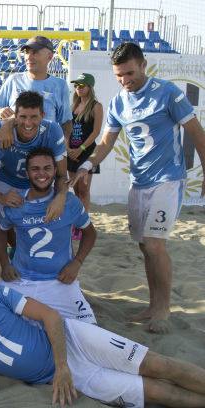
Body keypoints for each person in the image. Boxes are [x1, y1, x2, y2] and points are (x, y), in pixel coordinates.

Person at [0, 257, 205, 408]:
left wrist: (62, 368)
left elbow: (51, 316)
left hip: (74, 341)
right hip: (59, 377)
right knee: (156, 392)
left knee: (161, 366)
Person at [71, 43, 205, 334]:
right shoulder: (119, 101)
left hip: (168, 179)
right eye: (119, 75)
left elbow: (196, 132)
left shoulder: (168, 92)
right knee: (145, 246)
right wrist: (85, 165)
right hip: (138, 181)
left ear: (143, 65)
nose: (125, 80)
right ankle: (153, 304)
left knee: (155, 244)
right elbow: (106, 142)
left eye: (130, 73)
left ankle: (163, 309)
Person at [0, 91, 68, 280]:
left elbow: (62, 175)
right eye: (22, 117)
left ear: (43, 116)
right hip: (6, 183)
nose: (28, 123)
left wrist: (61, 197)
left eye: (34, 117)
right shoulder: (2, 134)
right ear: (15, 116)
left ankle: (36, 275)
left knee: (35, 232)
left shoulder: (53, 130)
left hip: (38, 186)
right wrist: (1, 198)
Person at [0, 147, 96, 323]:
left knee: (90, 331)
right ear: (27, 173)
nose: (42, 174)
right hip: (21, 281)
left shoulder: (69, 202)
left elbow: (90, 233)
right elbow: (0, 231)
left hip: (60, 282)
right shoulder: (16, 202)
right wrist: (5, 264)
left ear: (55, 171)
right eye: (35, 169)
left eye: (47, 168)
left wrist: (77, 262)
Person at [0, 36, 73, 137]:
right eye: (27, 52)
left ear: (49, 56)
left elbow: (66, 122)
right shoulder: (13, 80)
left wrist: (66, 146)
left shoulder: (60, 85)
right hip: (13, 147)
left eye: (35, 52)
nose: (29, 57)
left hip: (44, 148)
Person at [68, 73, 103, 222]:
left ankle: (83, 223)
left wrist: (80, 148)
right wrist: (69, 149)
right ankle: (77, 221)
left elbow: (96, 132)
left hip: (86, 151)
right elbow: (66, 129)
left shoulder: (96, 106)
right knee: (75, 190)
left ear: (90, 87)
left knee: (83, 190)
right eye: (76, 86)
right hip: (71, 152)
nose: (78, 88)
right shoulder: (73, 105)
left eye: (82, 85)